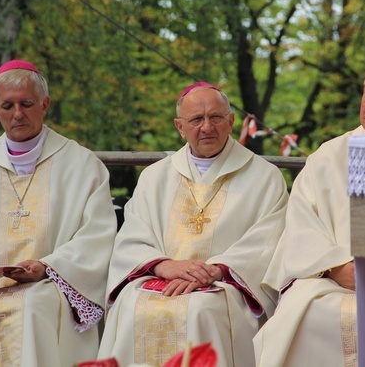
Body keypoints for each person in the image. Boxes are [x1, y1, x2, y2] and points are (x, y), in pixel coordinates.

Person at [97, 82, 289, 367]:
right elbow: (132, 237)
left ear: (231, 121)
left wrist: (216, 270)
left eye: (216, 117)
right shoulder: (155, 177)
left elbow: (268, 241)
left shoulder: (265, 177)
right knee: (131, 304)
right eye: (196, 119)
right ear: (180, 127)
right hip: (159, 276)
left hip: (225, 285)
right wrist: (163, 265)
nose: (207, 127)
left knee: (201, 308)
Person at [0, 60, 117, 366]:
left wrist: (48, 267)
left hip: (47, 284)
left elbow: (97, 236)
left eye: (26, 103)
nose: (18, 114)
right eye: (7, 105)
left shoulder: (82, 165)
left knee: (34, 307)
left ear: (45, 104)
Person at [253, 57, 365, 367]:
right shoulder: (327, 156)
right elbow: (302, 224)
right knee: (308, 315)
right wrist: (336, 266)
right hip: (328, 278)